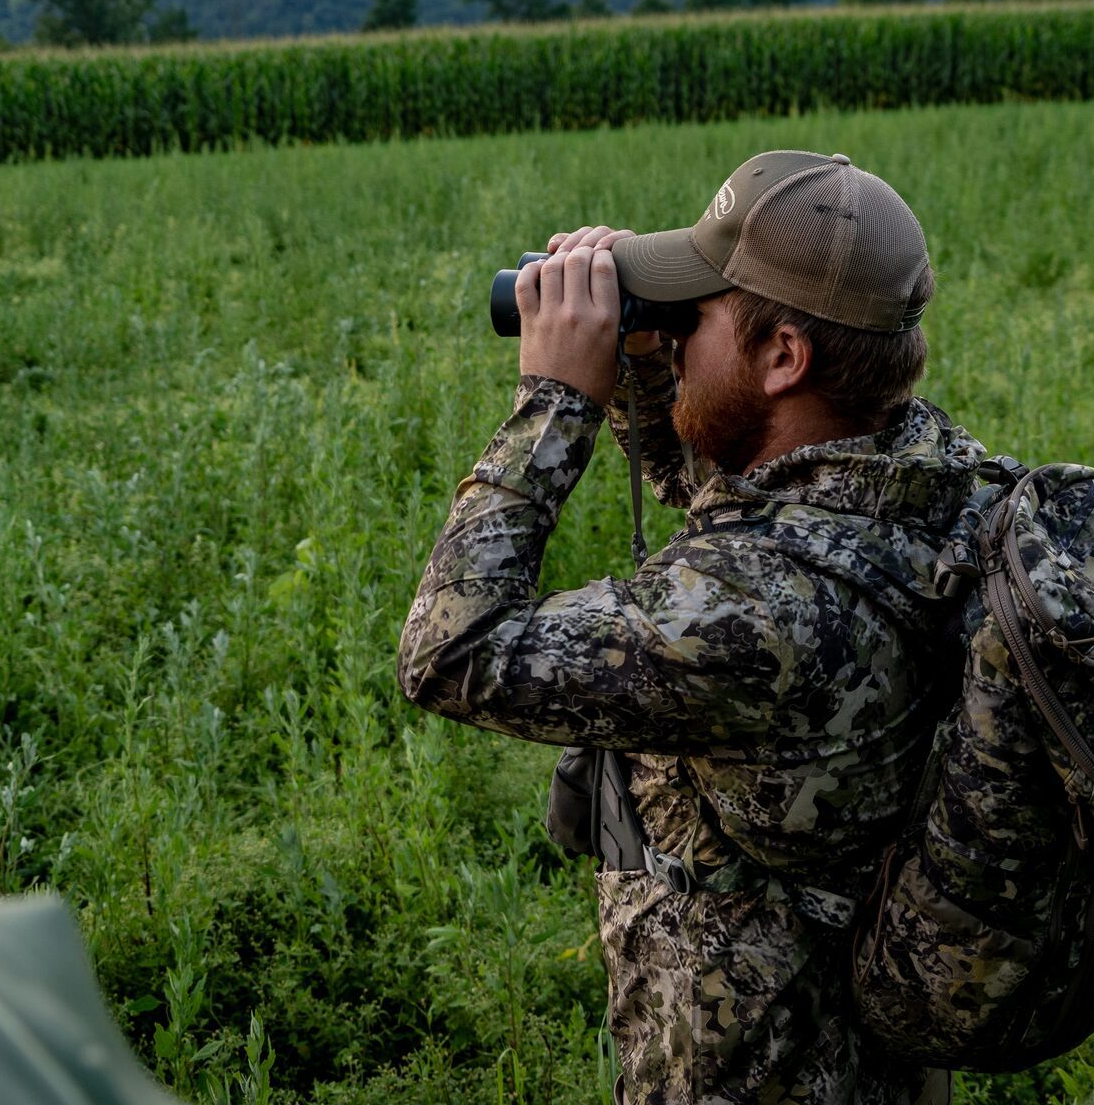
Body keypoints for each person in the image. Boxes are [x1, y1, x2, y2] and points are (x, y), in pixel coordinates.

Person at [398, 150, 979, 1104]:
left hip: (748, 1064)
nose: (675, 336)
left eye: (694, 316)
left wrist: (555, 405)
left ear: (785, 357)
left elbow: (449, 652)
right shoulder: (923, 481)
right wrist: (642, 362)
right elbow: (732, 488)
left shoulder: (752, 611)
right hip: (876, 1058)